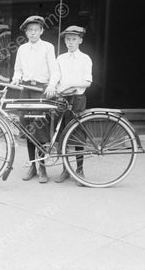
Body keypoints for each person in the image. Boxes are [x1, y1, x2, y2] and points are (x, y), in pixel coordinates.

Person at [11, 15, 60, 183]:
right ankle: (32, 166)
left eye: (35, 30)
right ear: (26, 32)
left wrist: (52, 85)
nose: (32, 33)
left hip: (40, 91)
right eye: (29, 30)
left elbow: (55, 70)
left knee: (39, 129)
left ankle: (42, 167)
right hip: (26, 90)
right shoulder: (22, 49)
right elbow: (17, 70)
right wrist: (16, 78)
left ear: (41, 31)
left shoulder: (48, 47)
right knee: (27, 128)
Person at [54, 26, 93, 185]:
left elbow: (87, 82)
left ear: (80, 41)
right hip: (63, 100)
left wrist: (69, 84)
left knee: (78, 134)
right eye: (67, 39)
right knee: (63, 133)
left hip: (77, 99)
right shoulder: (60, 59)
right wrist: (56, 87)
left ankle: (79, 170)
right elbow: (56, 77)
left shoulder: (85, 59)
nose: (70, 42)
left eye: (74, 39)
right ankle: (65, 169)